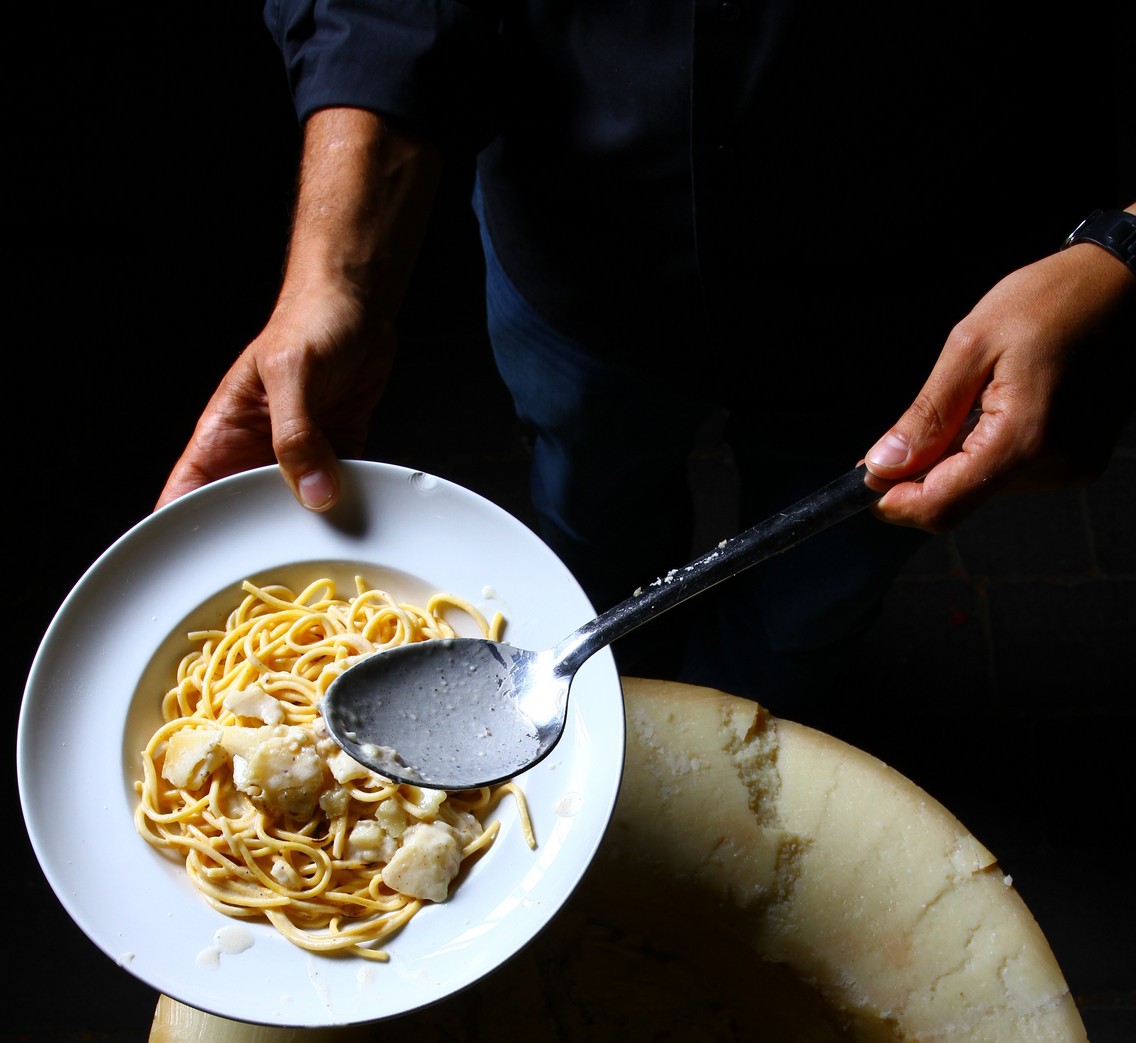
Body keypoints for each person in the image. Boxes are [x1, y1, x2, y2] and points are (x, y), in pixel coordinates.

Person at [158, 3, 1135, 713]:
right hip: (575, 252)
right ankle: (600, 697)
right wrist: (335, 274)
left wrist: (1120, 254)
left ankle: (757, 733)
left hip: (921, 292)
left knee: (811, 604)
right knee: (587, 524)